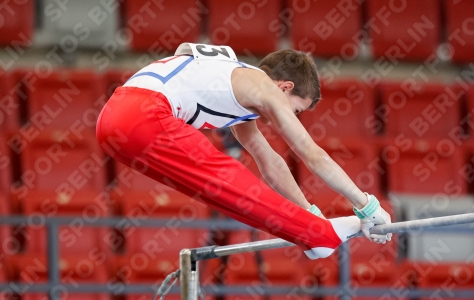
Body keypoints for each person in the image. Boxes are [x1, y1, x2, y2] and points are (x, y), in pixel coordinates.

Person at [96, 43, 392, 259]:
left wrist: (308, 210)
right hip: (144, 114)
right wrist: (366, 204)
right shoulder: (263, 88)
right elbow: (311, 154)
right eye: (296, 110)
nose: (293, 116)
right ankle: (319, 236)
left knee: (220, 191)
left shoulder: (237, 89)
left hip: (114, 122)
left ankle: (313, 229)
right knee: (226, 175)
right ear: (285, 87)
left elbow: (270, 162)